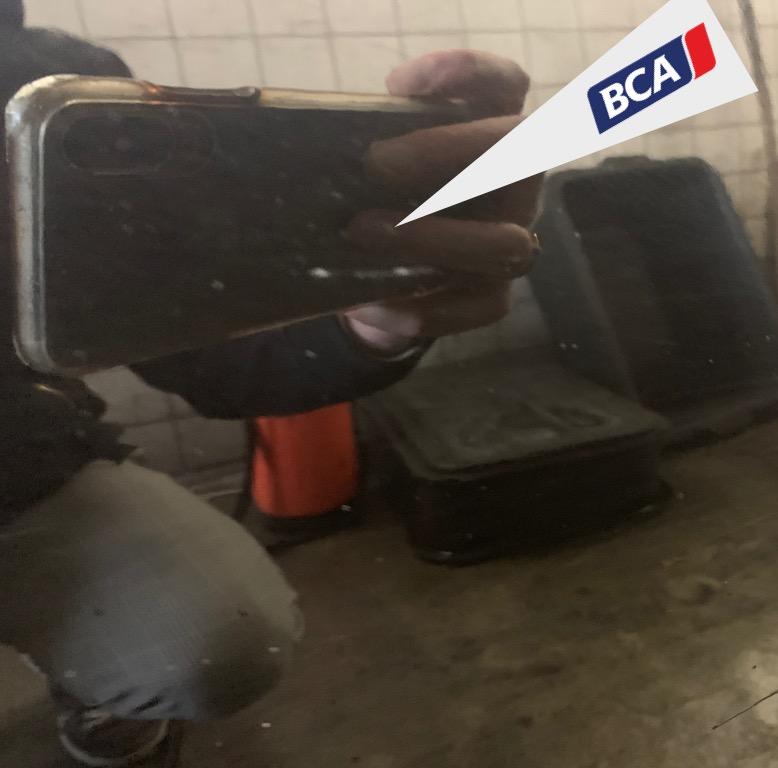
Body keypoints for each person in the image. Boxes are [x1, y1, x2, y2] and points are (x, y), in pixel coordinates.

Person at [0, 0, 540, 764]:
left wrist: (373, 326)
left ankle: (98, 694)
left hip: (21, 465)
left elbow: (213, 363)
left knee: (222, 638)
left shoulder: (40, 84)